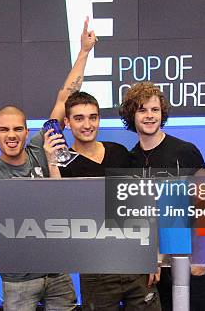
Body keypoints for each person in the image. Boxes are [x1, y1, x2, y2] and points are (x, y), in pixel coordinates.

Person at [0, 18, 97, 311]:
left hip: (58, 273)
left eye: (17, 129)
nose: (11, 135)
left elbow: (66, 95)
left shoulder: (41, 147)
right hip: (18, 281)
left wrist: (84, 52)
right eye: (4, 130)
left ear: (27, 131)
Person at [59, 91, 162, 311]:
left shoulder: (119, 153)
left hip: (136, 262)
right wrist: (52, 162)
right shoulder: (62, 164)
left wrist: (152, 256)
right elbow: (58, 208)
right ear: (67, 123)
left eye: (93, 117)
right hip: (96, 268)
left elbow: (142, 205)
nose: (87, 124)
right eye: (79, 118)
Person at [119, 82, 205, 311]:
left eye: (155, 110)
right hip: (153, 268)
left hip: (189, 261)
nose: (150, 116)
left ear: (163, 114)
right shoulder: (130, 159)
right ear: (132, 115)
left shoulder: (185, 151)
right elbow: (135, 216)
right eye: (142, 110)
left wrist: (202, 257)